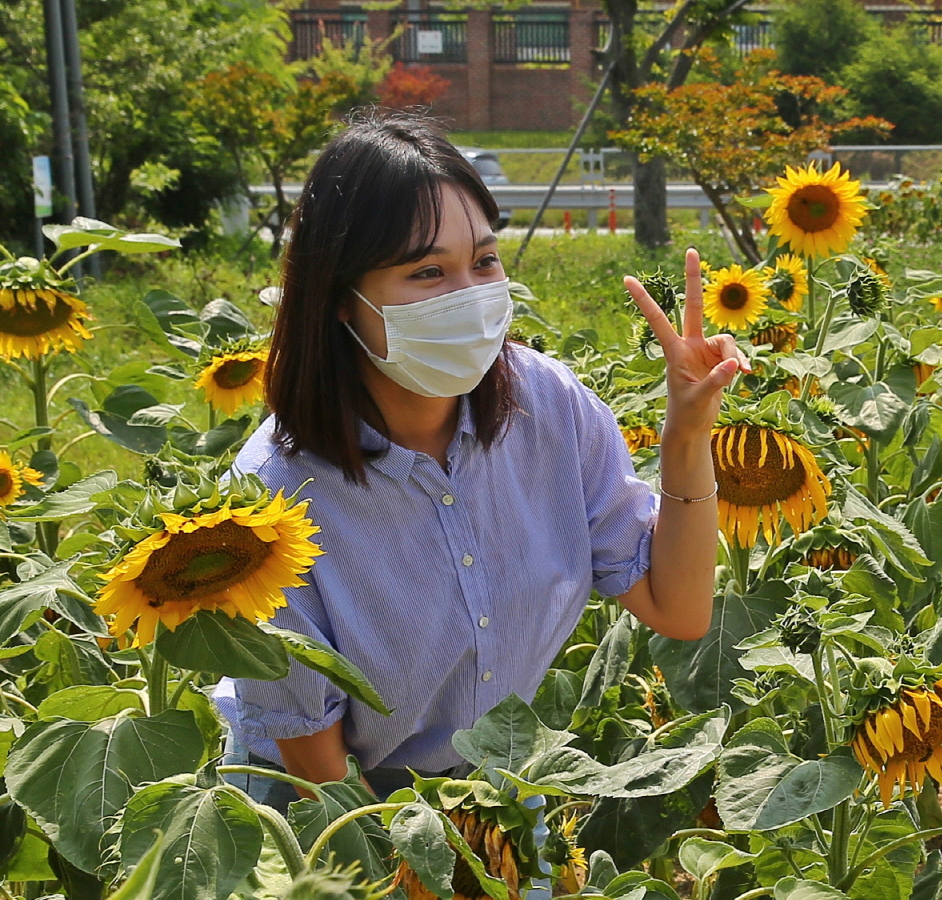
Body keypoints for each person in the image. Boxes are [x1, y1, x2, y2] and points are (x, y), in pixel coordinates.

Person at [228, 114, 740, 797]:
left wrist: (686, 435)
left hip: (494, 796)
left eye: (485, 261)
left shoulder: (548, 408)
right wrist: (418, 874)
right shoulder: (273, 495)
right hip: (335, 818)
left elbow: (679, 610)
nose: (468, 296)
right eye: (428, 271)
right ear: (340, 300)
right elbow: (316, 766)